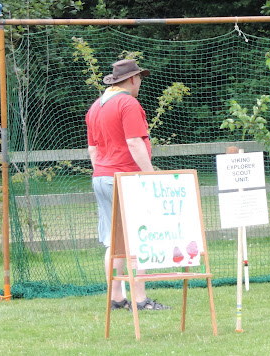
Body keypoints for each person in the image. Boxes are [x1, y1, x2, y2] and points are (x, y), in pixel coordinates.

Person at [86, 59, 170, 311]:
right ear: (133, 79)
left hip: (101, 177)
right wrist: (151, 175)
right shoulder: (128, 103)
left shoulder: (95, 106)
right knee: (138, 238)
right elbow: (134, 142)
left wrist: (102, 170)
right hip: (125, 178)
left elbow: (92, 148)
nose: (141, 83)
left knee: (114, 241)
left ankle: (116, 297)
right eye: (140, 78)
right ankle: (140, 300)